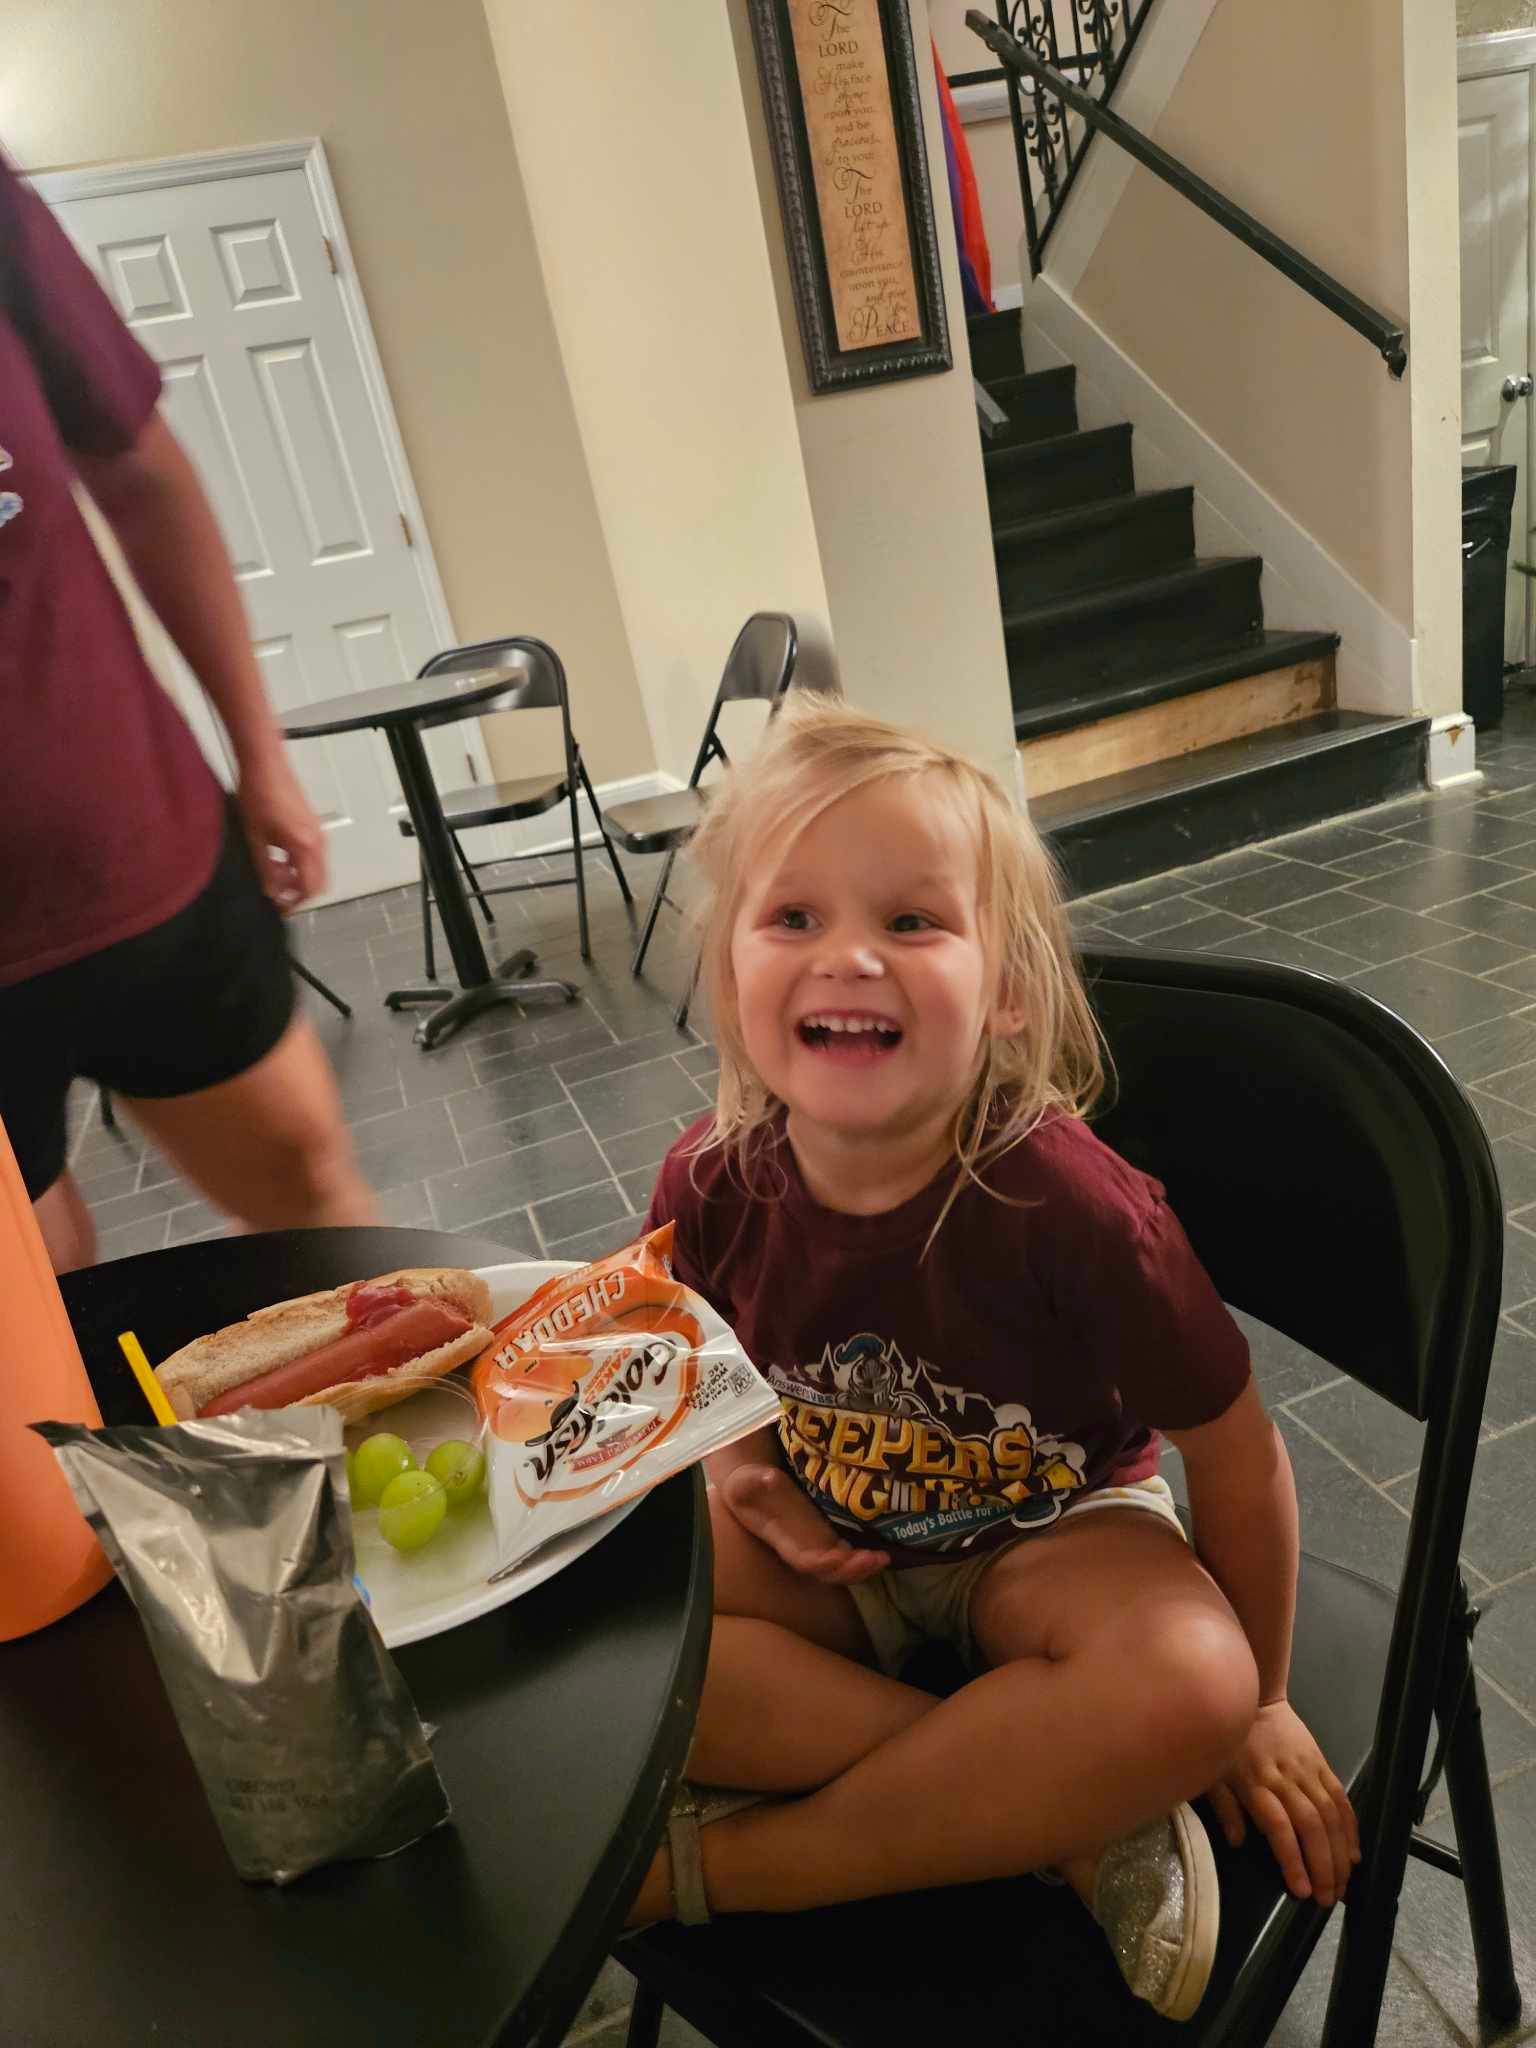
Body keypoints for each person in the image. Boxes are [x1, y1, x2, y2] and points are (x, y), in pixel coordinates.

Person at [633, 697, 1359, 2021]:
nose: (848, 957)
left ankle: (742, 1869)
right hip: (836, 1546)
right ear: (732, 974)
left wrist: (1254, 1704)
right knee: (619, 1633)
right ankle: (1063, 1811)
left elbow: (1239, 1456)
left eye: (911, 921)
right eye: (793, 919)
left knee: (1191, 1681)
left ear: (1009, 987)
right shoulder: (712, 1178)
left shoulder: (1076, 1211)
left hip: (1054, 1534)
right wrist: (742, 1473)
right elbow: (702, 1347)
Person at [0, 152, 376, 1270]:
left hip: (143, 864)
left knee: (315, 1204)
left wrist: (261, 756)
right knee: (39, 1318)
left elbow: (144, 478)